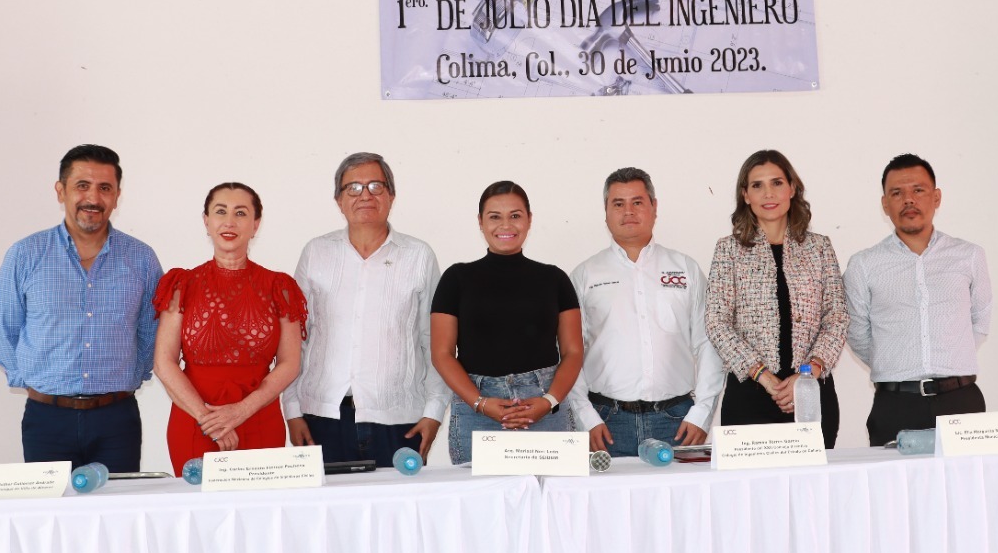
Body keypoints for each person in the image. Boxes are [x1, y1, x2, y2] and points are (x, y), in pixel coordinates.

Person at [0, 144, 162, 472]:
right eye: (82, 185)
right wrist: (32, 382)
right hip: (47, 420)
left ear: (117, 196)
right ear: (61, 191)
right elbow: (3, 330)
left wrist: (132, 376)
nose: (93, 198)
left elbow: (151, 330)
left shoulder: (141, 258)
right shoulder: (25, 255)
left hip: (117, 421)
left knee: (119, 505)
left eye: (105, 188)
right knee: (50, 506)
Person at [284, 153, 449, 464]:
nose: (365, 195)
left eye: (376, 186)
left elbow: (434, 341)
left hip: (400, 421)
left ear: (391, 196)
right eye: (353, 188)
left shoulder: (419, 256)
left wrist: (434, 411)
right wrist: (292, 410)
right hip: (321, 418)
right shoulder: (316, 253)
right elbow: (296, 338)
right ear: (339, 200)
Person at [152, 182, 307, 475]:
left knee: (260, 503)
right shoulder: (181, 285)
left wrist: (241, 411)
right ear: (206, 221)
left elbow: (290, 364)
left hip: (259, 417)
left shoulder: (280, 287)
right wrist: (209, 420)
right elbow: (163, 362)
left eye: (241, 213)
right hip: (196, 420)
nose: (229, 222)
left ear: (255, 224)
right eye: (220, 211)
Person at [570, 167, 722, 456]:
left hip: (678, 421)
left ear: (654, 207)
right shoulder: (585, 275)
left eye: (637, 202)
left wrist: (702, 413)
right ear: (606, 212)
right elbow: (569, 352)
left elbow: (708, 342)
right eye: (618, 203)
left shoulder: (685, 269)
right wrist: (585, 417)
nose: (628, 211)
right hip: (605, 423)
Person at [845, 153, 992, 447]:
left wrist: (948, 357)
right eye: (897, 193)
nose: (908, 200)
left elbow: (980, 320)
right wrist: (896, 362)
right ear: (885, 204)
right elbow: (857, 333)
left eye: (918, 190)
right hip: (895, 405)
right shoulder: (864, 264)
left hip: (961, 401)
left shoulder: (969, 256)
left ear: (936, 197)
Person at [431, 181, 582, 465]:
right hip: (477, 409)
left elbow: (573, 351)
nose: (505, 225)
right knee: (480, 494)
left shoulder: (555, 279)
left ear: (529, 219)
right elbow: (441, 354)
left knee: (553, 492)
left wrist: (549, 401)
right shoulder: (456, 279)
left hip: (545, 407)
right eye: (494, 216)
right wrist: (480, 403)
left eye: (515, 215)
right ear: (480, 222)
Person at [704, 149, 849, 446]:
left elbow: (837, 316)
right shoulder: (728, 250)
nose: (768, 193)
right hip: (749, 394)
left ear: (792, 188)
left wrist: (808, 374)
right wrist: (763, 376)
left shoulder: (820, 248)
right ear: (745, 195)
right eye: (757, 185)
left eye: (777, 183)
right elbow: (717, 321)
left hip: (811, 395)